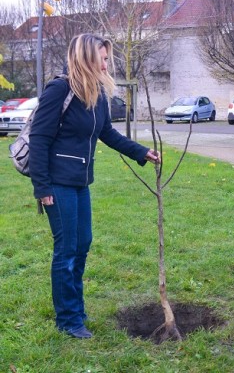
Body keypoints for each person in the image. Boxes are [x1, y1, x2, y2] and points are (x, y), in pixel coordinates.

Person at [29, 33, 160, 338]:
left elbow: (107, 133)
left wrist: (141, 152)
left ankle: (75, 308)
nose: (106, 63)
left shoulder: (97, 94)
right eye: (102, 58)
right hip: (57, 185)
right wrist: (42, 188)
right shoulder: (60, 89)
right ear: (87, 58)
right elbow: (39, 139)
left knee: (82, 244)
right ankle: (68, 319)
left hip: (79, 182)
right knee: (67, 249)